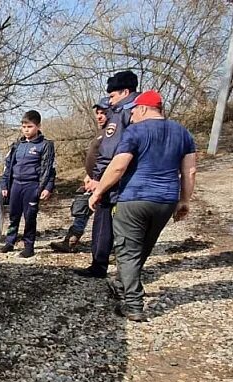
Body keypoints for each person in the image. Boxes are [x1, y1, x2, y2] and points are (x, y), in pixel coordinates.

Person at [87, 90, 196, 322]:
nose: (132, 114)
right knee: (142, 246)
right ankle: (120, 283)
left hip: (134, 198)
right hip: (165, 201)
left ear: (144, 108)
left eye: (134, 110)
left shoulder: (135, 131)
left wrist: (99, 191)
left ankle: (133, 304)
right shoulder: (183, 133)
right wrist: (184, 200)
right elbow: (189, 171)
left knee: (128, 250)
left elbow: (118, 166)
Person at [75, 70, 139, 278]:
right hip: (136, 184)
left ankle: (99, 265)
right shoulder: (144, 111)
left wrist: (98, 181)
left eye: (112, 96)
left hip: (115, 182)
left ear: (125, 92)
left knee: (103, 221)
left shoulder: (121, 115)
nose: (110, 102)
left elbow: (110, 153)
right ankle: (127, 273)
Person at [51, 98, 111, 253]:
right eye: (97, 113)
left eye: (103, 113)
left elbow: (110, 159)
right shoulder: (101, 132)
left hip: (106, 181)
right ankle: (70, 241)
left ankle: (112, 249)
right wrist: (88, 174)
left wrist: (98, 179)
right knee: (82, 209)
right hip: (93, 179)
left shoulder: (113, 133)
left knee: (108, 216)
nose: (99, 116)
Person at [0, 110, 55, 258]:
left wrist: (47, 187)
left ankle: (28, 246)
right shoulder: (17, 145)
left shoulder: (45, 145)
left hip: (32, 186)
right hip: (16, 185)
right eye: (23, 127)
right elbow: (8, 166)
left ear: (38, 126)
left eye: (29, 126)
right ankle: (10, 242)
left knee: (30, 217)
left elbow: (49, 169)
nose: (26, 130)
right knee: (13, 215)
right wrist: (4, 185)